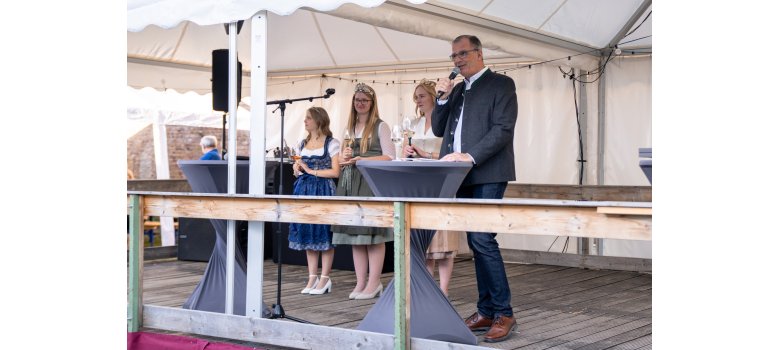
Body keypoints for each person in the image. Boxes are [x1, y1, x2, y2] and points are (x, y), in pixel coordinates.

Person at [432, 35, 519, 343]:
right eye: (454, 55)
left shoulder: (501, 84)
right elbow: (438, 130)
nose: (457, 59)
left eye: (463, 53)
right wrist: (441, 98)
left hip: (488, 172)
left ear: (479, 54)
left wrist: (469, 155)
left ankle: (504, 313)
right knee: (475, 241)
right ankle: (486, 309)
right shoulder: (456, 89)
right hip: (460, 175)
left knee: (483, 238)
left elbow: (503, 129)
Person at [331, 83, 395, 300]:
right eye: (357, 100)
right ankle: (360, 282)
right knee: (354, 235)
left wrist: (363, 159)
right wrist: (345, 157)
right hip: (349, 184)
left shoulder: (380, 126)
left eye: (364, 100)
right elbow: (340, 160)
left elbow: (390, 156)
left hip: (370, 183)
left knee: (373, 235)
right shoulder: (349, 127)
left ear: (372, 103)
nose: (360, 103)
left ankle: (375, 282)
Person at [402, 79, 461, 297]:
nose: (418, 101)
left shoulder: (446, 123)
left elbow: (452, 154)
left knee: (443, 238)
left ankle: (443, 289)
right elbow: (403, 151)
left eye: (422, 96)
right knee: (424, 239)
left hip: (442, 181)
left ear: (433, 97)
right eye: (415, 97)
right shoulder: (413, 124)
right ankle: (427, 287)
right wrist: (407, 153)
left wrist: (425, 154)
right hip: (419, 183)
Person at [289, 107, 341, 295]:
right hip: (303, 190)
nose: (305, 121)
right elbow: (297, 172)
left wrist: (311, 171)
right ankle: (312, 276)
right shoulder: (302, 143)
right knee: (307, 231)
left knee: (324, 232)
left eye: (308, 118)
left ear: (319, 120)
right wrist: (297, 168)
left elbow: (335, 172)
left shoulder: (331, 143)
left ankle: (325, 278)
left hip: (323, 189)